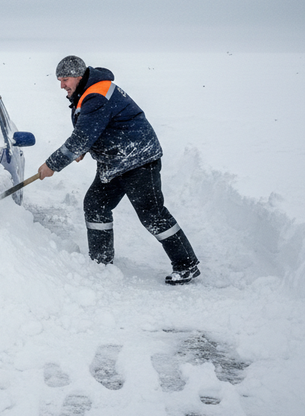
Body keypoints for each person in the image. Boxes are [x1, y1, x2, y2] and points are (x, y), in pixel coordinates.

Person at [37, 55, 200, 285]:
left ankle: (186, 265)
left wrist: (52, 165)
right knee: (95, 204)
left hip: (139, 160)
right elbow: (94, 129)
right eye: (60, 80)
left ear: (78, 76)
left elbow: (82, 136)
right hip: (115, 162)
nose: (62, 85)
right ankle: (100, 262)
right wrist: (86, 147)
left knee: (152, 213)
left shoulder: (96, 94)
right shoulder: (89, 92)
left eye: (65, 80)